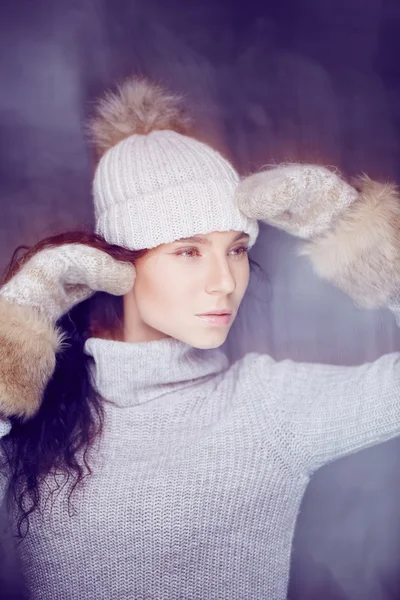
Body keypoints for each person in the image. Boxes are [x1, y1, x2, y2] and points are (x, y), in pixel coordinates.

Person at [0, 77, 399, 600]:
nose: (225, 281)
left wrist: (368, 246)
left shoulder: (267, 405)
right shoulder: (37, 408)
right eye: (189, 251)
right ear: (120, 263)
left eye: (234, 249)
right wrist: (17, 339)